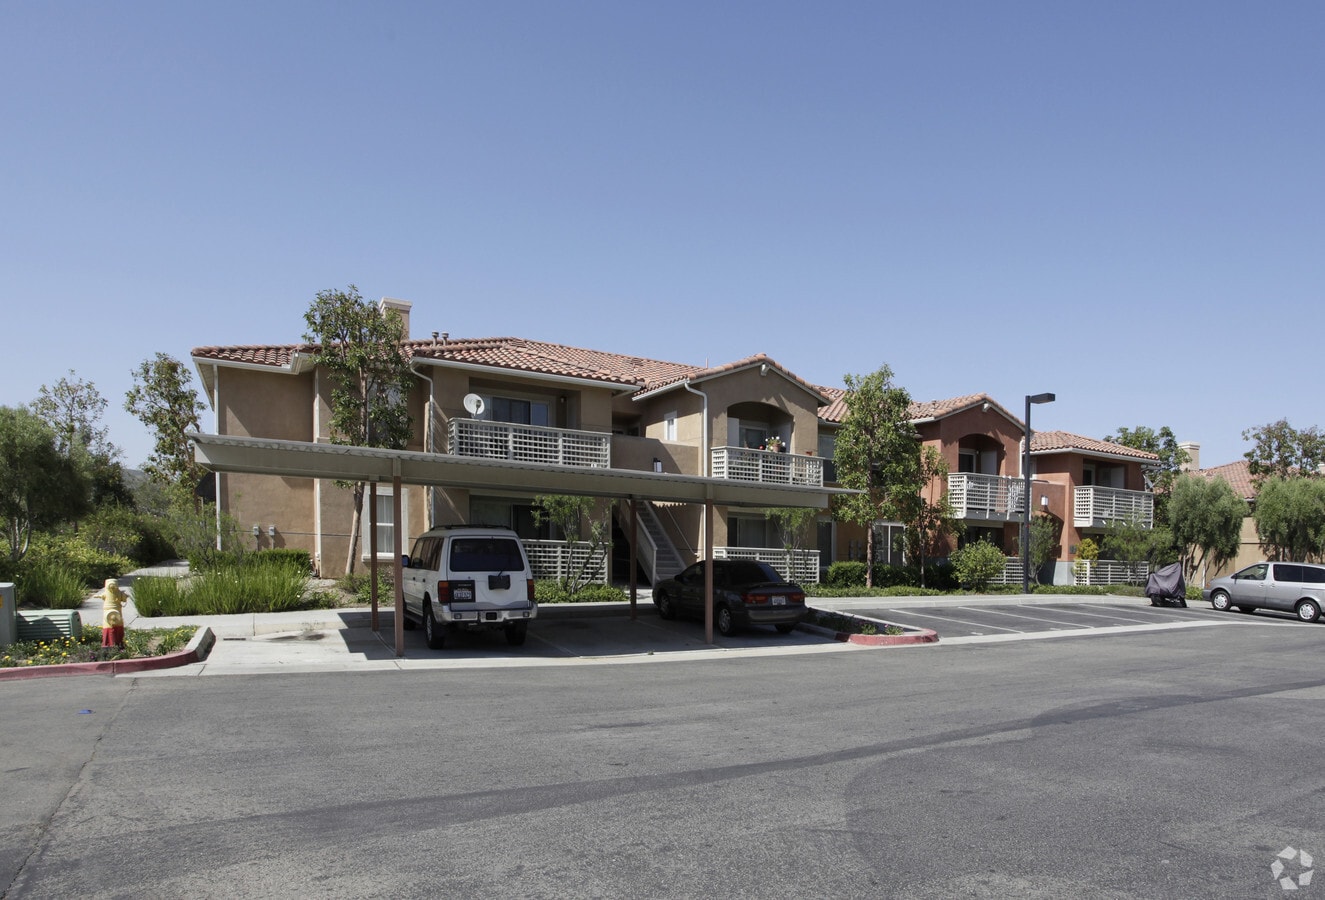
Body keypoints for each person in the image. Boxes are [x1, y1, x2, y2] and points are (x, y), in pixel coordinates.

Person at [97, 578, 128, 648]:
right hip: (115, 611)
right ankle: (119, 644)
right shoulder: (118, 593)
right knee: (115, 625)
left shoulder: (115, 593)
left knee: (110, 625)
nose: (112, 586)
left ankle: (108, 644)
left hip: (110, 611)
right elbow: (123, 598)